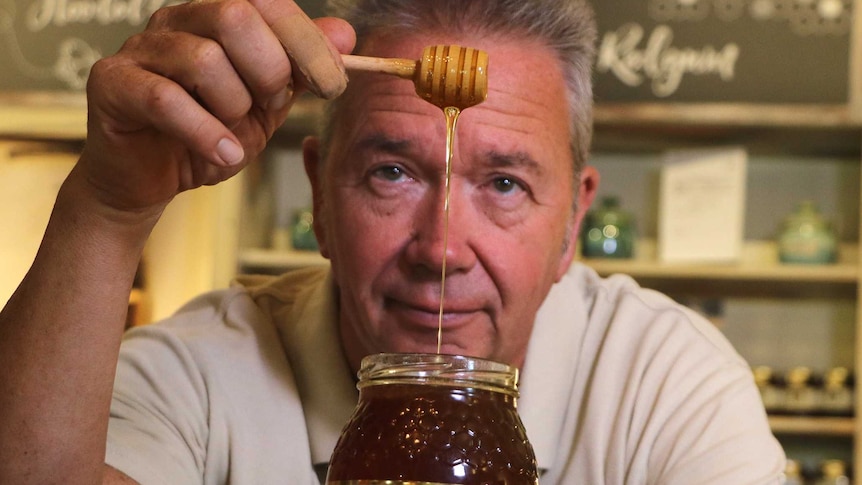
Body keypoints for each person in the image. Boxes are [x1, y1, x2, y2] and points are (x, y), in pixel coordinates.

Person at [0, 0, 786, 483]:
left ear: (573, 222)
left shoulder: (662, 381)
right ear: (318, 191)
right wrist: (106, 208)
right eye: (391, 173)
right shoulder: (202, 373)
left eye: (505, 184)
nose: (441, 249)